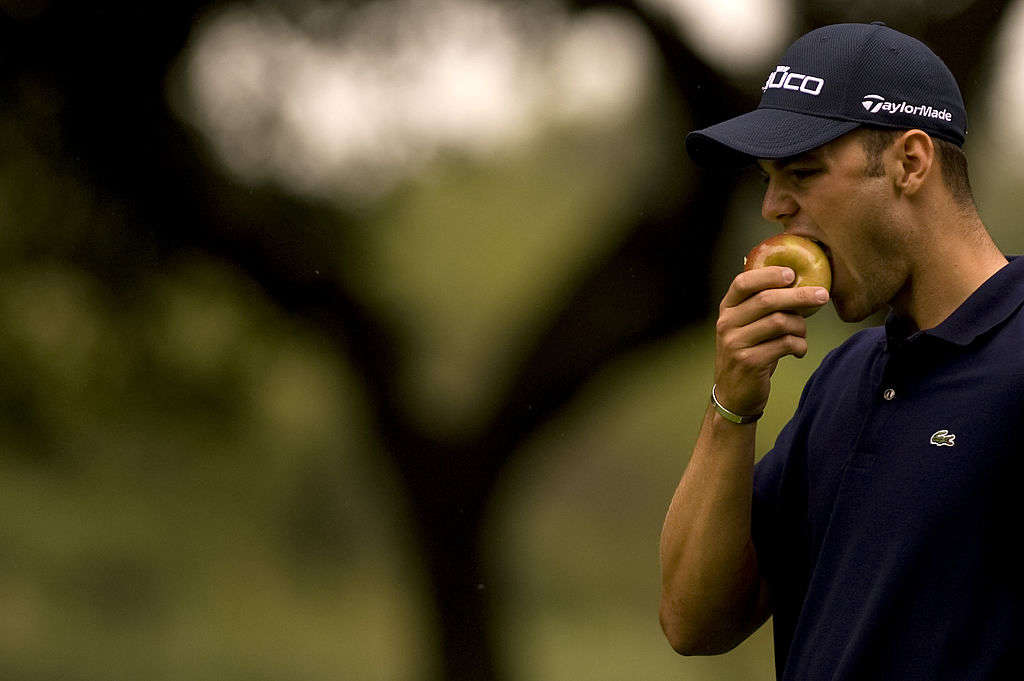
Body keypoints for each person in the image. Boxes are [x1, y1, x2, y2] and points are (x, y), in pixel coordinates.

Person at [659, 21, 1024, 680]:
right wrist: (731, 406)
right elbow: (693, 620)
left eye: (802, 172)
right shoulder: (842, 380)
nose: (773, 206)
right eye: (770, 177)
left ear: (911, 163)